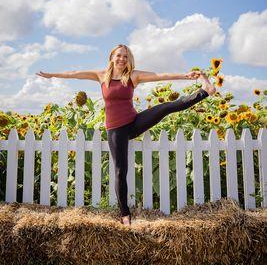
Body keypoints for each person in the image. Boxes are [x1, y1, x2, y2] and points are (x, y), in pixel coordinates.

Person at [36, 43, 216, 227]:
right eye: (119, 55)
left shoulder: (132, 75)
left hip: (134, 122)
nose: (122, 59)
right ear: (112, 57)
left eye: (125, 56)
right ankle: (125, 215)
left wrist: (185, 76)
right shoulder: (100, 76)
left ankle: (204, 91)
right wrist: (53, 75)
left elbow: (159, 76)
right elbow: (75, 73)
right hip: (115, 130)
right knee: (120, 171)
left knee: (165, 107)